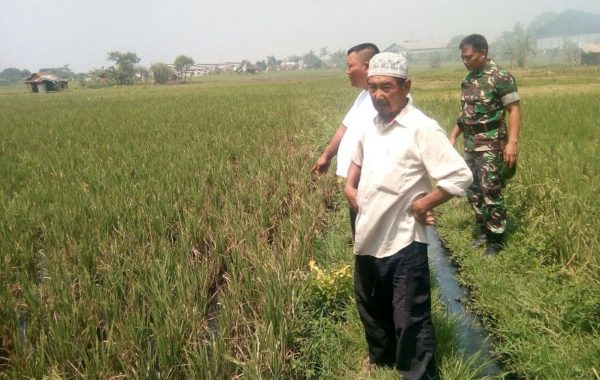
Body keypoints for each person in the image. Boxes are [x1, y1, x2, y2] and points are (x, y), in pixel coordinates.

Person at [345, 52, 472, 379]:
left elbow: (459, 175)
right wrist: (349, 187)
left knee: (410, 318)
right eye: (372, 88)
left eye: (386, 87)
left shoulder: (422, 128)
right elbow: (356, 160)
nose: (378, 95)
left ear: (406, 86)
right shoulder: (369, 125)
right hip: (367, 236)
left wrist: (424, 203)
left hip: (404, 242)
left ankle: (417, 375)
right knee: (372, 310)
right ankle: (382, 362)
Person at [449, 34, 522, 255]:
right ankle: (484, 229)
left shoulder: (500, 77)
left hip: (491, 143)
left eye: (468, 57)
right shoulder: (469, 79)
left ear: (483, 53)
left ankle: (496, 238)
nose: (465, 61)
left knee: (491, 190)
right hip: (470, 144)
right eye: (462, 57)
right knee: (472, 189)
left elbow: (514, 109)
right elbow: (465, 114)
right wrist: (453, 136)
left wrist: (512, 143)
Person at [311, 43, 379, 237]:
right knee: (361, 232)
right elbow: (344, 128)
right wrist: (326, 156)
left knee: (372, 234)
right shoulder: (363, 97)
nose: (347, 72)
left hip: (371, 179)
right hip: (356, 180)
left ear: (366, 66)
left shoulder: (383, 99)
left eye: (350, 66)